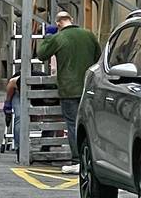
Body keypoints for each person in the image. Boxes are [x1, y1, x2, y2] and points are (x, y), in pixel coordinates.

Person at [36, 10, 100, 172]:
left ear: (58, 23)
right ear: (71, 19)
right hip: (89, 88)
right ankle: (92, 159)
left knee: (73, 124)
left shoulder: (58, 38)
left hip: (69, 89)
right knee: (90, 124)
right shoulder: (89, 35)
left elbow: (41, 54)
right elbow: (98, 58)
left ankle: (77, 160)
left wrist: (48, 37)